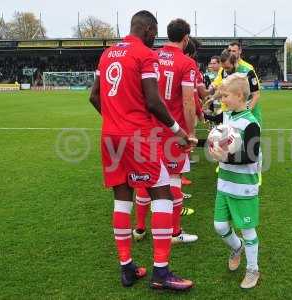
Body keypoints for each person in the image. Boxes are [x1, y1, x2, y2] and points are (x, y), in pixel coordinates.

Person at [89, 10, 194, 291]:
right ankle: (161, 272)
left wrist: (114, 120)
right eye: (153, 31)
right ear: (147, 28)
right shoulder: (145, 54)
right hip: (137, 137)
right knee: (162, 192)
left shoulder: (107, 53)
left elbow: (93, 96)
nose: (154, 37)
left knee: (122, 199)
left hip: (110, 137)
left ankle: (127, 268)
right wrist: (179, 132)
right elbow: (153, 102)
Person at [133, 18, 198, 245]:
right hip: (173, 132)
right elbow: (189, 102)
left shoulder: (150, 55)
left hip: (148, 130)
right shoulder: (187, 63)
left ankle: (140, 229)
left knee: (145, 180)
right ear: (186, 38)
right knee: (174, 181)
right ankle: (174, 233)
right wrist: (189, 133)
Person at [208, 73, 261, 289]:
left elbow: (251, 155)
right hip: (224, 184)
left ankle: (252, 270)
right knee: (220, 226)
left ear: (239, 95)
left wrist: (226, 157)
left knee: (248, 230)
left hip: (244, 187)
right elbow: (215, 126)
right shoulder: (228, 117)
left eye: (226, 95)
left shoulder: (251, 123)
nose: (223, 99)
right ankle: (236, 247)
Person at [211, 42, 262, 124]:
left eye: (227, 67)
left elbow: (256, 94)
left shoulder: (248, 71)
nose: (226, 70)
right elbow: (221, 90)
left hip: (248, 115)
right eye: (224, 68)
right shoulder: (223, 71)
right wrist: (212, 98)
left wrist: (247, 110)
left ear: (234, 62)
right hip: (232, 114)